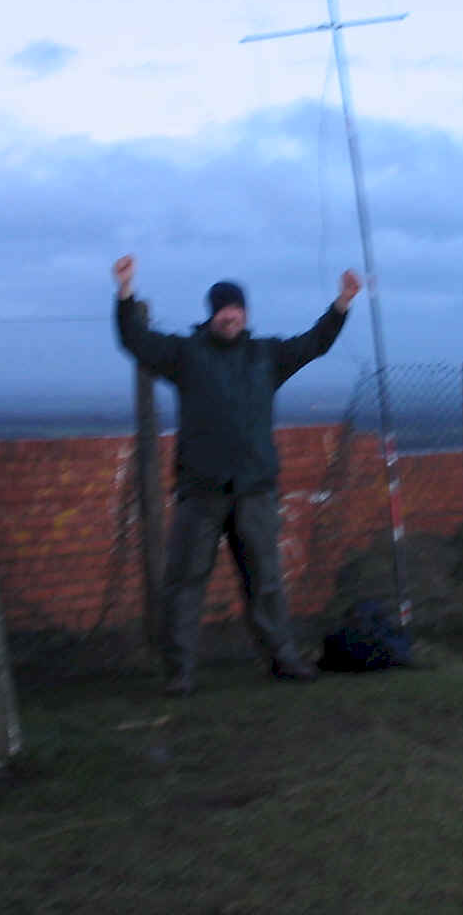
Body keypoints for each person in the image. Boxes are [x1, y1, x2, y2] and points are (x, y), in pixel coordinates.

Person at [113, 254, 362, 696]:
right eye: (222, 309)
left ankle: (283, 660)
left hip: (255, 492)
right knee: (186, 585)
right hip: (200, 491)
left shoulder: (266, 356)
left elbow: (315, 343)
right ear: (212, 313)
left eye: (236, 308)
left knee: (266, 583)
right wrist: (126, 291)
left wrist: (342, 303)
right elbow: (136, 340)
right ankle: (180, 673)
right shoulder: (185, 355)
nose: (229, 315)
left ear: (245, 313)